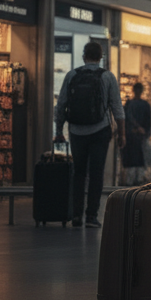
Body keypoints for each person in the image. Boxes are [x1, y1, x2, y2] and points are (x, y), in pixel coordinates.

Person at [54, 41, 125, 228]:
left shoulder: (72, 75)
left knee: (79, 173)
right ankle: (92, 216)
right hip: (100, 131)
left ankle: (76, 215)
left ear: (84, 56)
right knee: (96, 173)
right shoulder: (107, 77)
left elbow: (61, 105)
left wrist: (58, 131)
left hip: (76, 131)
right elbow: (117, 108)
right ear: (101, 57)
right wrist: (122, 134)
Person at [121, 82, 151, 186]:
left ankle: (131, 182)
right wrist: (144, 132)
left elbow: (125, 120)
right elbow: (148, 123)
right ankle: (138, 182)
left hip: (131, 137)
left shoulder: (129, 105)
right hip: (139, 138)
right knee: (140, 162)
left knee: (131, 163)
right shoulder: (145, 105)